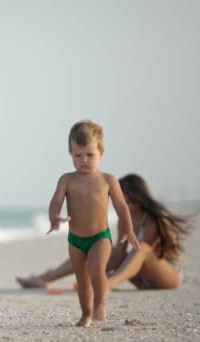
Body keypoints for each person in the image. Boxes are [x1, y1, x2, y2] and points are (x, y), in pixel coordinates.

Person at [17, 173, 194, 293]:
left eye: (123, 195)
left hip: (166, 277)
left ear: (136, 196)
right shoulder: (124, 220)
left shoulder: (154, 220)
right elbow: (118, 257)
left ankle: (107, 285)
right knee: (92, 250)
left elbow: (138, 256)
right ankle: (45, 278)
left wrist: (105, 278)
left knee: (142, 249)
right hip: (139, 279)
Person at [44, 120, 139, 328]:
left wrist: (129, 230)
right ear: (71, 154)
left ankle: (100, 303)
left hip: (100, 237)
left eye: (89, 155)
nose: (84, 160)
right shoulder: (67, 180)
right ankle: (86, 315)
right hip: (76, 240)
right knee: (82, 280)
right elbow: (56, 201)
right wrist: (54, 217)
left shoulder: (108, 180)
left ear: (101, 153)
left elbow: (122, 207)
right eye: (77, 156)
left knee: (96, 269)